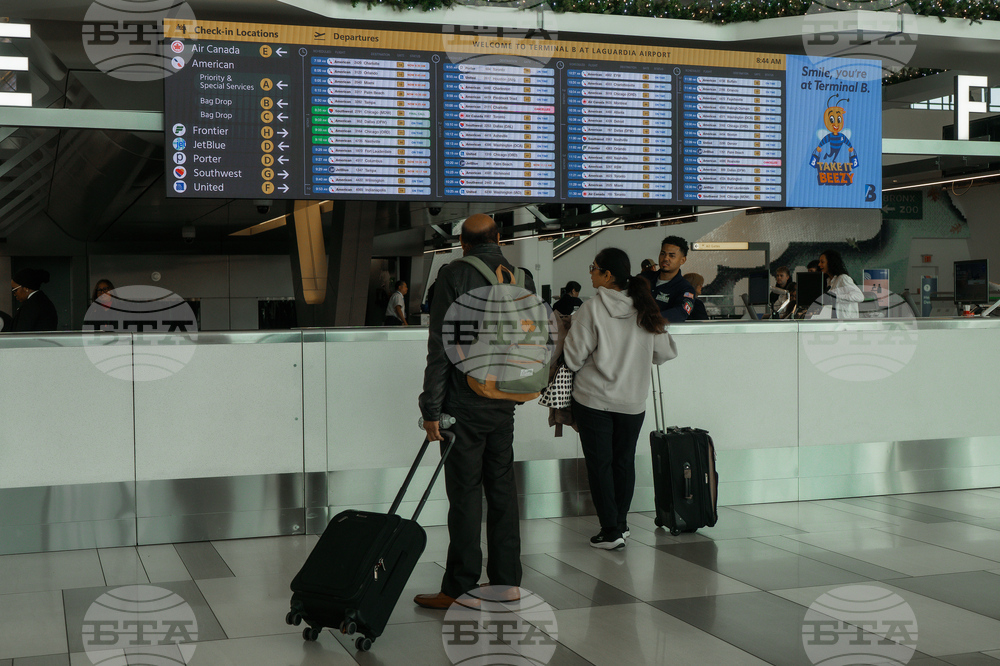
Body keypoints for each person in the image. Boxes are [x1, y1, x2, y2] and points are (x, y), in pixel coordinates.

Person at [415, 214, 533, 609]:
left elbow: (442, 346)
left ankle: (459, 588)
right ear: (498, 239)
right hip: (506, 398)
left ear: (462, 243)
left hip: (464, 402)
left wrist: (430, 407)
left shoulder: (454, 274)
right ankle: (507, 583)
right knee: (502, 492)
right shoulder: (520, 276)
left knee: (465, 496)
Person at [564, 247, 677, 549]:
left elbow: (573, 359)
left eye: (594, 267)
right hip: (632, 401)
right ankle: (622, 525)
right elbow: (664, 353)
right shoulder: (646, 306)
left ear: (607, 275)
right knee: (623, 462)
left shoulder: (591, 308)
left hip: (593, 400)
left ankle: (610, 530)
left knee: (600, 464)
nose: (590, 272)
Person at [638, 235, 696, 323]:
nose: (665, 258)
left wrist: (649, 320)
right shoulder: (644, 278)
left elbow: (681, 312)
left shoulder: (685, 289)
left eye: (671, 256)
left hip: (658, 333)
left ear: (682, 260)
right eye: (662, 254)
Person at [819, 249, 864, 319]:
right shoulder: (829, 281)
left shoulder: (843, 278)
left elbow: (859, 297)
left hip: (846, 324)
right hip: (835, 322)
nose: (819, 264)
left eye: (822, 262)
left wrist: (836, 297)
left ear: (831, 263)